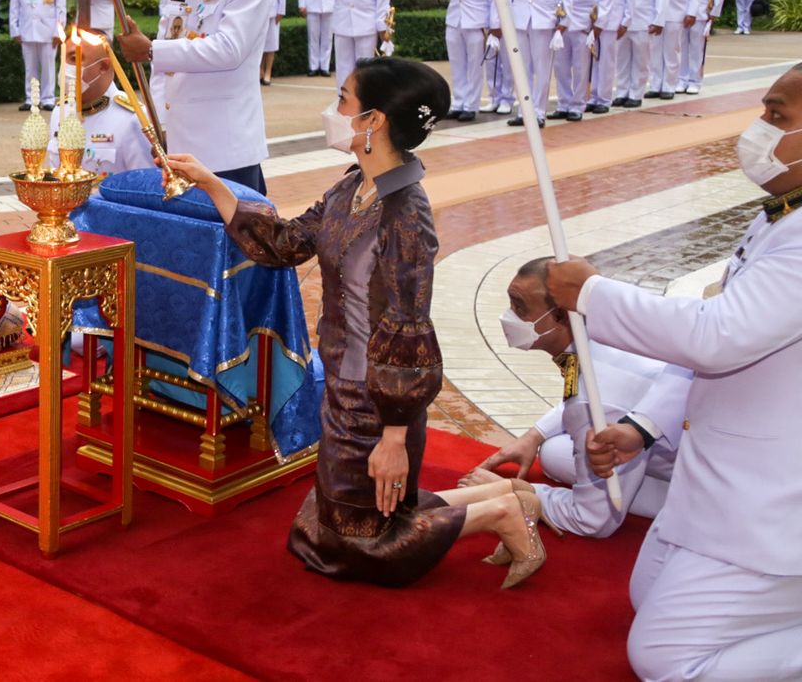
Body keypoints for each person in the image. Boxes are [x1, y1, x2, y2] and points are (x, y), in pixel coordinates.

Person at [167, 58, 546, 588]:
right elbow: (287, 242)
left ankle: (497, 515)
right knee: (325, 529)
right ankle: (501, 495)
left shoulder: (405, 215)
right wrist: (211, 183)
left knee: (361, 544)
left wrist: (394, 432)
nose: (333, 110)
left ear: (373, 121)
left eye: (343, 100)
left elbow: (408, 327)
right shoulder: (353, 187)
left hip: (378, 396)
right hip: (343, 382)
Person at [544, 64, 802, 680]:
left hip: (772, 503)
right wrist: (641, 427)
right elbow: (715, 342)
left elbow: (717, 337)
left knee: (665, 658)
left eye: (779, 114)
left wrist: (594, 294)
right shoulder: (781, 217)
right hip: (719, 479)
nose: (760, 127)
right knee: (643, 601)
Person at [462, 257, 690, 537]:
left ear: (560, 317)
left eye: (520, 307)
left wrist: (514, 491)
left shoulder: (595, 399)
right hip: (680, 450)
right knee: (553, 454)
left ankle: (689, 506)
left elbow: (592, 521)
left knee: (578, 468)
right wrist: (534, 436)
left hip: (703, 478)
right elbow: (579, 397)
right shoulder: (603, 339)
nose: (509, 315)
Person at [117, 0, 270, 192]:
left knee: (236, 238)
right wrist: (154, 119)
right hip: (176, 144)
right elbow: (164, 68)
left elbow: (229, 49)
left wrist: (150, 51)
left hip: (224, 146)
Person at [46, 36, 150, 176]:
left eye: (74, 58)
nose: (66, 68)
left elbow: (144, 185)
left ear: (103, 66)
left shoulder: (133, 118)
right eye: (63, 58)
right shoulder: (60, 112)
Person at [9, 0, 65, 111]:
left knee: (48, 67)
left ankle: (48, 98)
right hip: (27, 30)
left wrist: (58, 31)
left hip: (48, 31)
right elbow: (14, 6)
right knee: (30, 67)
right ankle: (30, 98)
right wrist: (14, 29)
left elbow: (60, 8)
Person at [614, 0, 658, 109]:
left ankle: (636, 93)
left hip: (642, 20)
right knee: (622, 59)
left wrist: (658, 20)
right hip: (622, 20)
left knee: (640, 59)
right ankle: (622, 91)